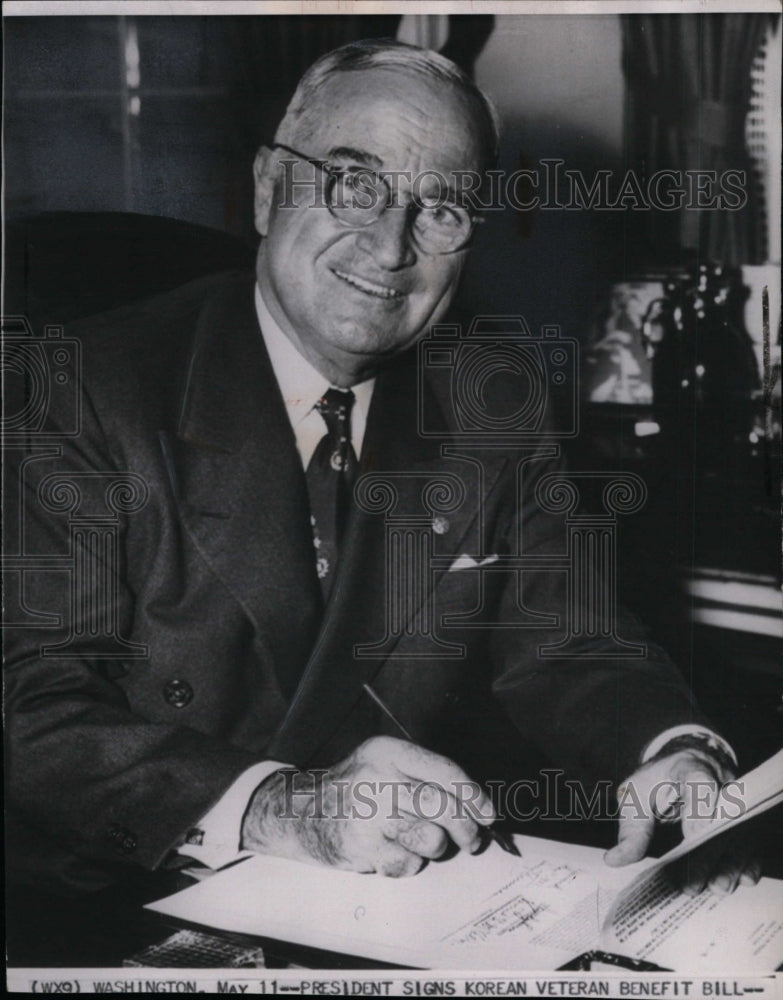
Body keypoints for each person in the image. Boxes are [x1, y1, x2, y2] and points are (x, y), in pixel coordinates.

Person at [5, 40, 755, 899]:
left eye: (440, 208)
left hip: (381, 901)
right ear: (266, 187)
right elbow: (29, 703)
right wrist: (280, 807)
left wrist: (670, 747)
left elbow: (567, 641)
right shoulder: (77, 389)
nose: (391, 245)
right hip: (111, 890)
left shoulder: (490, 405)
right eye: (353, 182)